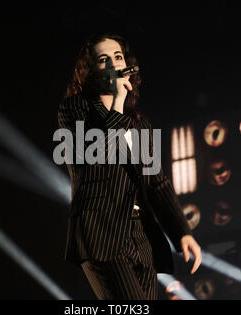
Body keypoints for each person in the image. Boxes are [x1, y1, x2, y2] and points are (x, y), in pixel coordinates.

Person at [57, 32, 202, 300]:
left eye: (118, 56)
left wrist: (181, 231)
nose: (113, 63)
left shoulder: (139, 124)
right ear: (90, 70)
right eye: (104, 59)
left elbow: (156, 180)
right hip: (101, 233)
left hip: (140, 235)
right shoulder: (74, 110)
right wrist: (117, 104)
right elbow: (96, 159)